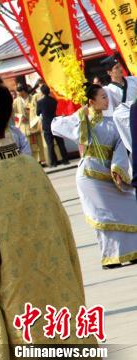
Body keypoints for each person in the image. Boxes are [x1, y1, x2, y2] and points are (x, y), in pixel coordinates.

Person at [0, 74, 97, 358]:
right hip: (58, 306)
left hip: (16, 317)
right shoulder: (31, 167)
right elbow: (64, 235)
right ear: (8, 117)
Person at [52, 84, 137, 268]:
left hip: (109, 175)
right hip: (89, 176)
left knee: (130, 206)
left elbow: (120, 148)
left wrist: (117, 168)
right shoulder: (82, 120)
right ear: (92, 101)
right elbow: (55, 125)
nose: (107, 100)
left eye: (106, 96)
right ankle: (111, 257)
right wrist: (81, 114)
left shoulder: (112, 123)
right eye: (103, 97)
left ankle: (132, 251)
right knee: (103, 215)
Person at [36, 84, 69, 167]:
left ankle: (53, 162)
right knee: (60, 143)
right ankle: (65, 160)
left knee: (50, 144)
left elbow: (37, 113)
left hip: (47, 125)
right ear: (49, 91)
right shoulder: (54, 100)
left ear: (42, 92)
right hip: (56, 122)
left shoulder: (40, 102)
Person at [13, 83, 44, 163]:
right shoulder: (16, 101)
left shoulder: (32, 98)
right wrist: (20, 117)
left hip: (33, 124)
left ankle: (41, 159)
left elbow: (36, 109)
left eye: (19, 92)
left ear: (23, 91)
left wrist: (31, 114)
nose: (18, 94)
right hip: (24, 126)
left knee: (38, 143)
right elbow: (14, 113)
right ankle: (31, 160)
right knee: (27, 145)